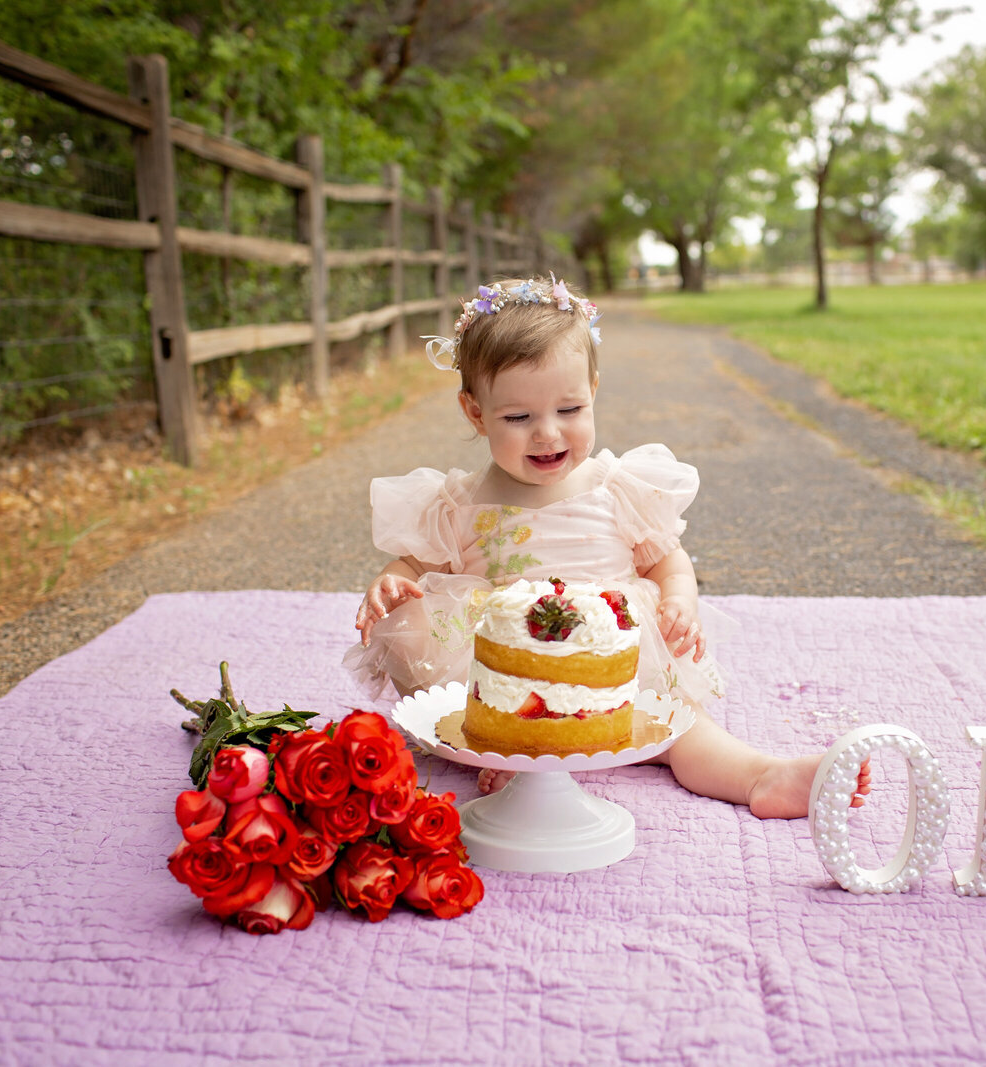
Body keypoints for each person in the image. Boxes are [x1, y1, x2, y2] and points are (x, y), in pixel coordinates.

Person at [345, 275, 869, 818]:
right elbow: (415, 563)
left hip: (608, 652)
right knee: (451, 703)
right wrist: (391, 579)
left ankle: (762, 774)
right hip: (506, 661)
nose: (548, 434)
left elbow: (667, 560)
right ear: (475, 412)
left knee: (677, 730)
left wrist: (679, 601)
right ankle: (518, 759)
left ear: (592, 389)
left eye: (568, 410)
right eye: (518, 417)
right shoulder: (458, 503)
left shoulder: (617, 487)